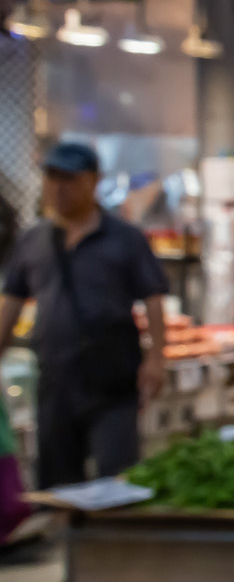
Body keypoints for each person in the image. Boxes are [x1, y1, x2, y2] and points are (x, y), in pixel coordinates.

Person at [0, 141, 169, 489]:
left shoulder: (125, 239)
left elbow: (153, 298)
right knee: (58, 484)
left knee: (116, 479)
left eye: (69, 179)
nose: (58, 188)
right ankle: (65, 545)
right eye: (52, 178)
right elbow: (11, 304)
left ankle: (116, 544)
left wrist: (155, 359)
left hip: (113, 382)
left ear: (93, 181)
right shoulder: (33, 241)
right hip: (55, 382)